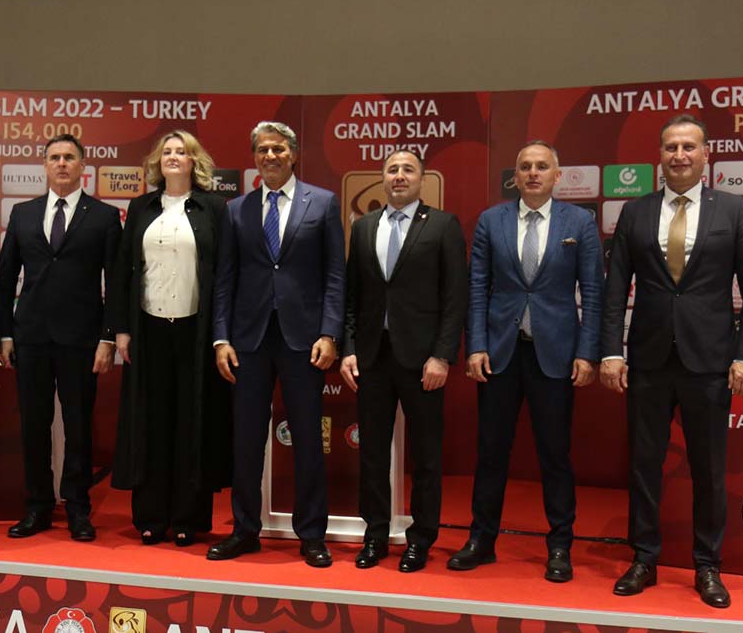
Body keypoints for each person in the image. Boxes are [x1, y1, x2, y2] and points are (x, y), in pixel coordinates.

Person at [600, 114, 743, 608]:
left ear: (705, 154)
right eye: (671, 147)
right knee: (643, 465)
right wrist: (610, 351)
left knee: (708, 469)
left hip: (711, 360)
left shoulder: (733, 209)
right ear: (660, 155)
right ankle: (644, 558)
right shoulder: (635, 211)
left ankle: (707, 565)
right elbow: (615, 289)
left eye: (689, 147)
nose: (679, 155)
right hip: (648, 359)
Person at [449, 141, 604, 581]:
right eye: (525, 167)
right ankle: (482, 540)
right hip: (500, 353)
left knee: (555, 454)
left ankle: (560, 545)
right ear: (514, 177)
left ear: (557, 175)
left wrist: (587, 352)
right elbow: (477, 287)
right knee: (491, 452)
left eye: (541, 166)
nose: (533, 173)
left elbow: (593, 292)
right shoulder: (491, 220)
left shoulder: (580, 222)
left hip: (555, 355)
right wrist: (475, 345)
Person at [207, 121, 345, 567]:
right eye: (263, 149)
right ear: (254, 157)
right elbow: (224, 279)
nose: (270, 156)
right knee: (246, 440)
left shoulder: (322, 203)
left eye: (279, 149)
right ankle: (244, 530)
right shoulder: (236, 210)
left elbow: (335, 275)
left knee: (307, 438)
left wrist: (330, 333)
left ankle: (312, 534)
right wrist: (221, 338)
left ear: (293, 154)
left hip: (304, 340)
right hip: (247, 340)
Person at [339, 149, 467, 573]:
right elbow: (353, 297)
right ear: (382, 178)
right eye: (392, 169)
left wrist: (442, 356)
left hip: (423, 361)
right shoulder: (363, 227)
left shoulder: (443, 225)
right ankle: (375, 535)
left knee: (426, 456)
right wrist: (349, 348)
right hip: (372, 357)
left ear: (421, 179)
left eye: (407, 169)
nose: (399, 176)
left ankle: (421, 539)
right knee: (373, 454)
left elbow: (455, 298)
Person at [0, 133, 122, 542]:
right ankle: (36, 506)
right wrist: (4, 333)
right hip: (30, 337)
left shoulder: (104, 216)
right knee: (33, 425)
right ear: (45, 165)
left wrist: (107, 338)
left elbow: (116, 283)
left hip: (82, 339)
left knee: (78, 425)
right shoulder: (23, 213)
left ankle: (78, 508)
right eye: (55, 157)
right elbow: (4, 279)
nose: (62, 164)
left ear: (83, 166)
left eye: (70, 157)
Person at [109, 130, 232, 547]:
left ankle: (187, 518)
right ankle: (150, 516)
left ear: (194, 161)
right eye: (167, 152)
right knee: (151, 421)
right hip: (148, 329)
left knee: (191, 422)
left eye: (182, 152)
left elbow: (224, 274)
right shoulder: (140, 206)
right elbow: (124, 270)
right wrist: (121, 329)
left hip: (196, 331)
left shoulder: (214, 208)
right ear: (158, 162)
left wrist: (221, 333)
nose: (173, 157)